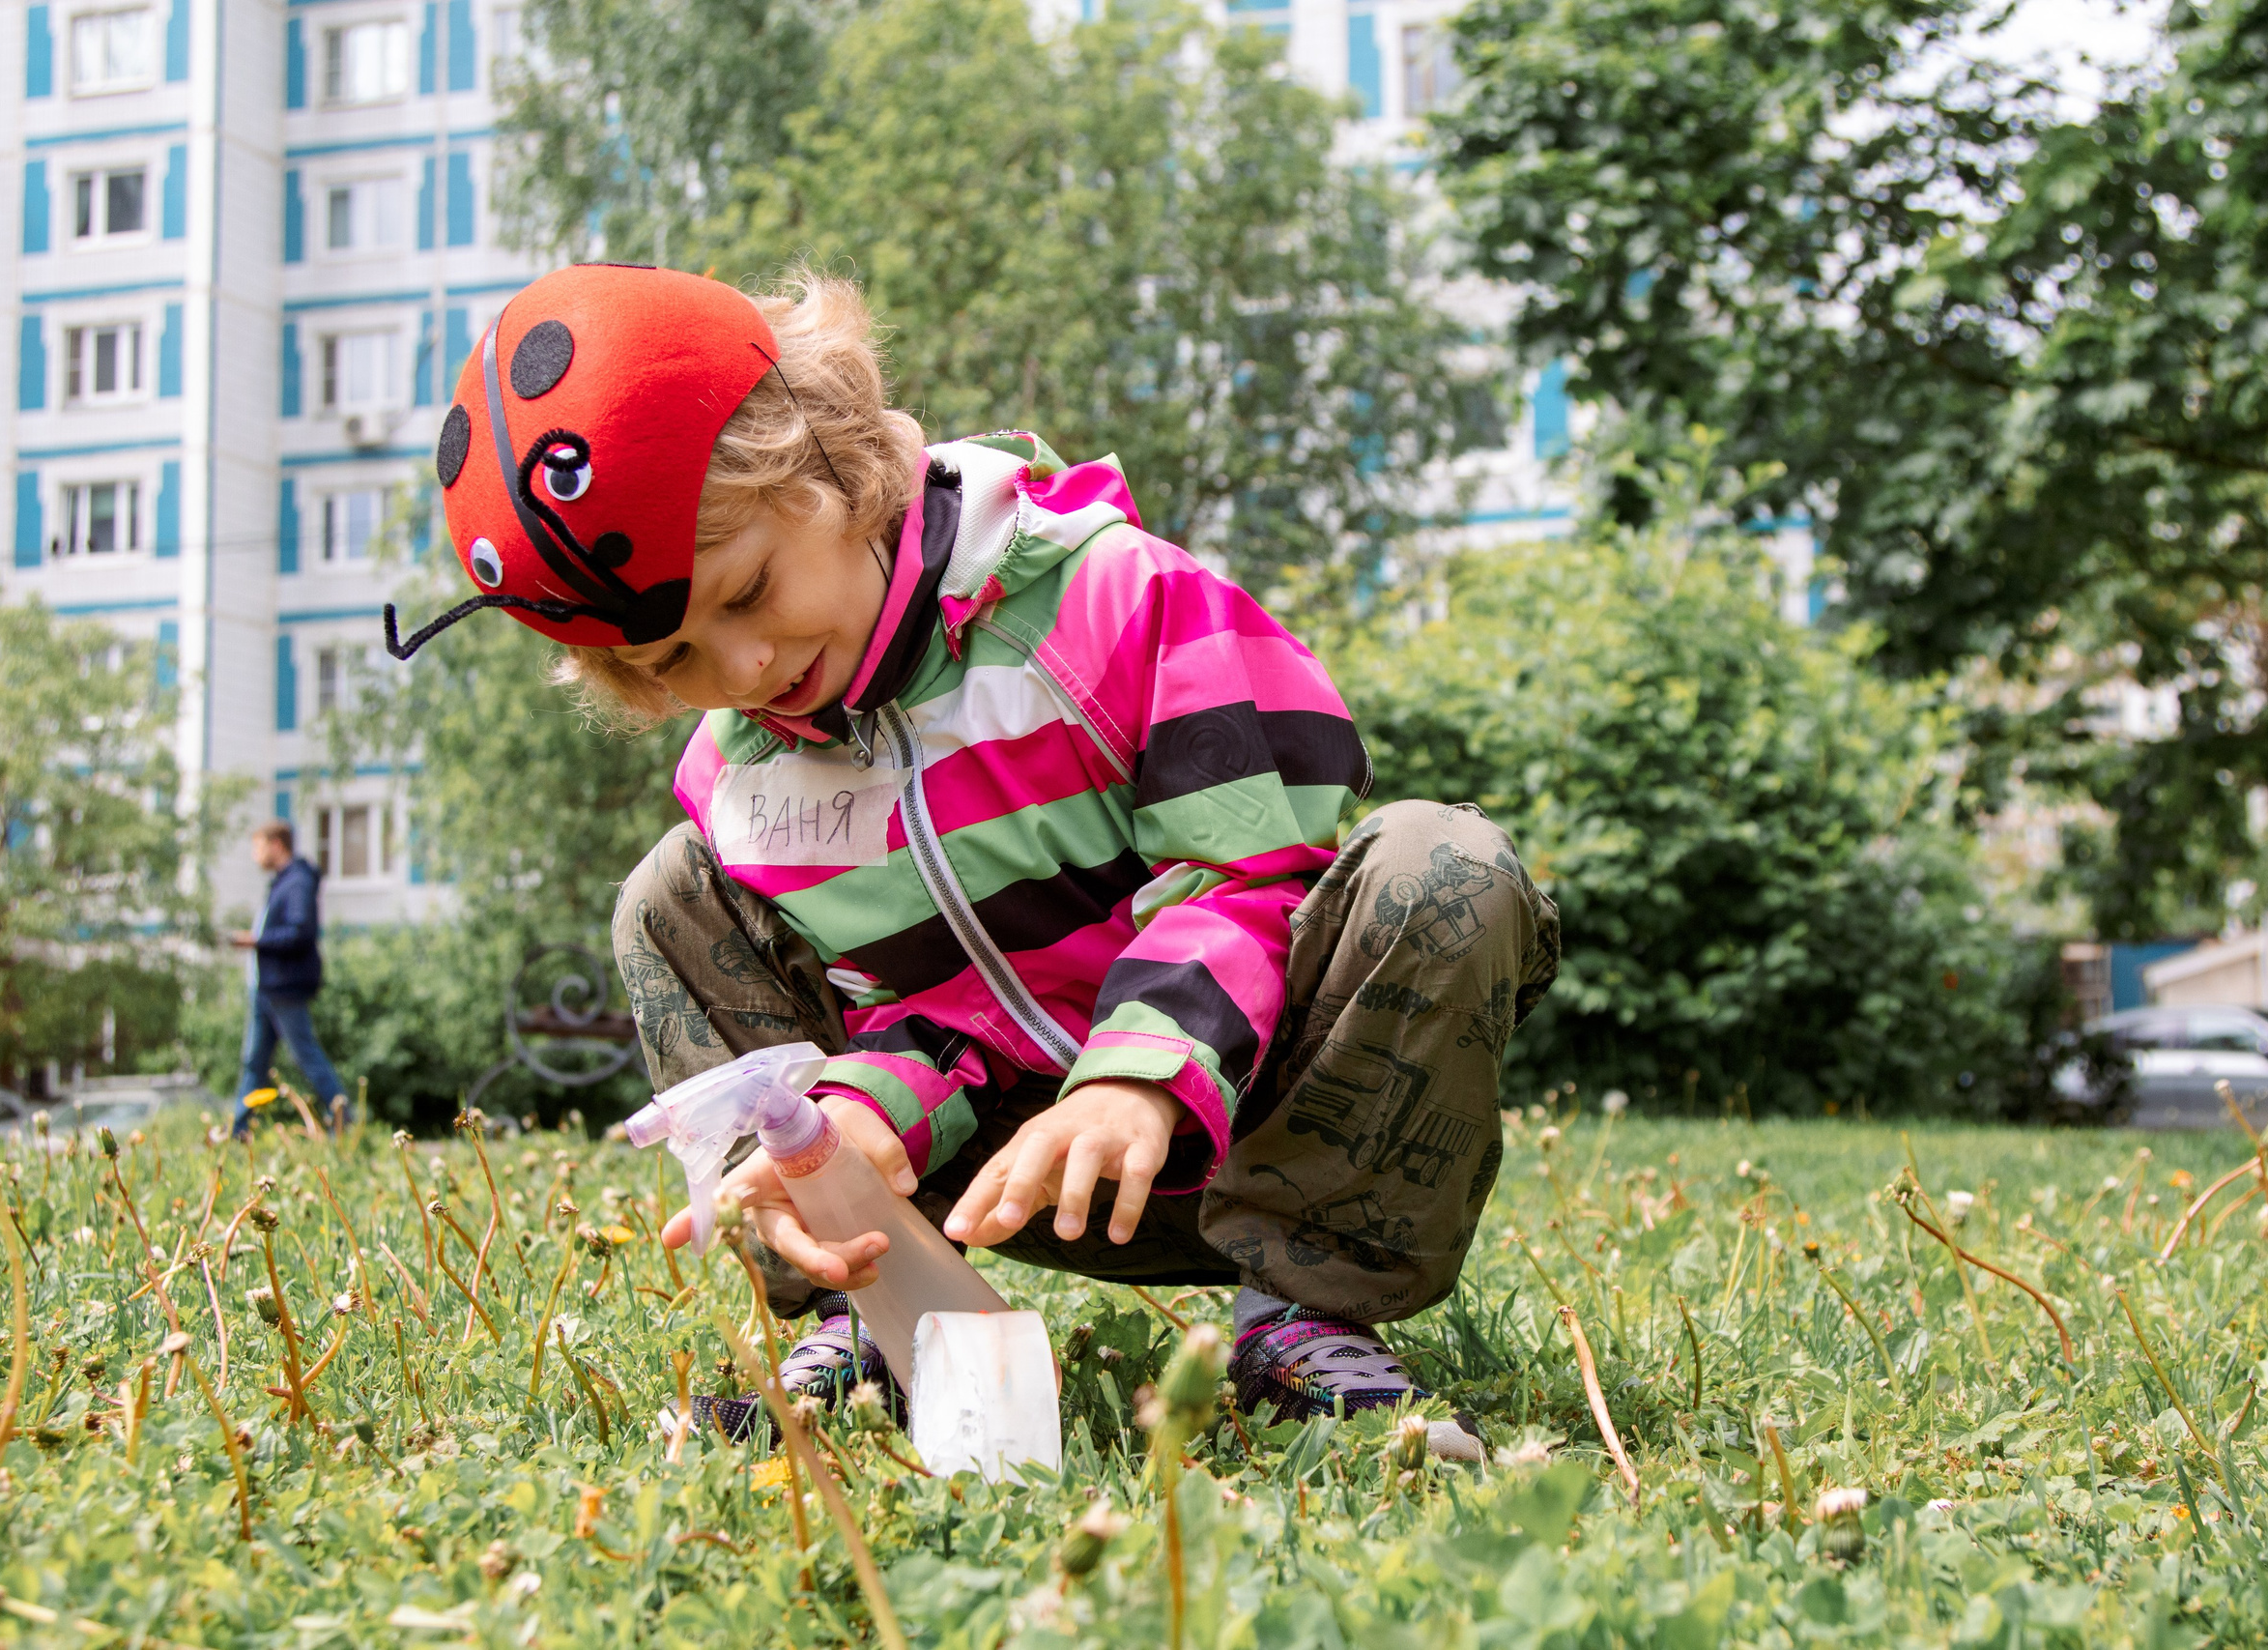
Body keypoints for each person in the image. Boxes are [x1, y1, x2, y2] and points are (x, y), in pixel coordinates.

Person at [388, 264, 1558, 1460]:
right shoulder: (739, 778)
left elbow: (1255, 877)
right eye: (675, 657)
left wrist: (1135, 1078)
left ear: (835, 463)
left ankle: (1302, 1325)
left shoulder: (1112, 598)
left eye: (747, 592)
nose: (741, 670)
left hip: (1256, 1122)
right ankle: (870, 1307)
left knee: (1441, 861)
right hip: (1000, 1169)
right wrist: (855, 1118)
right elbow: (912, 1015)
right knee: (667, 894)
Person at [229, 820, 349, 1139]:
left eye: (258, 846)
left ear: (276, 845)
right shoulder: (283, 881)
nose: (255, 854)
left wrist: (256, 941)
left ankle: (344, 1119)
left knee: (305, 1054)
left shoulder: (297, 882)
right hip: (266, 986)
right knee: (254, 1061)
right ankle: (238, 1131)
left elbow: (300, 933)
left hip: (284, 986)